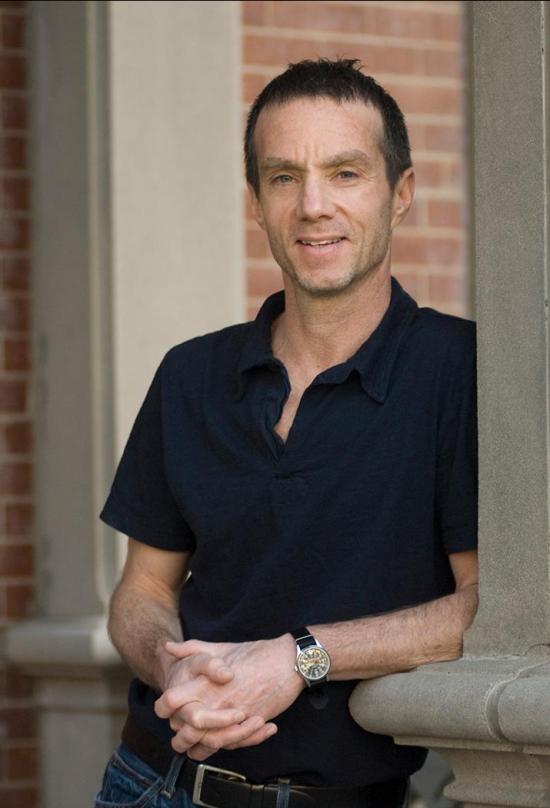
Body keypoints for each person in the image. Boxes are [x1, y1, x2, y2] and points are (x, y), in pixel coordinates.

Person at [94, 58, 478, 808]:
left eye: (344, 173)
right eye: (283, 177)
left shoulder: (461, 372)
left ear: (400, 194)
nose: (312, 206)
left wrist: (298, 659)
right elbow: (140, 590)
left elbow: (484, 605)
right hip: (149, 784)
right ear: (257, 204)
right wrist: (173, 668)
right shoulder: (189, 376)